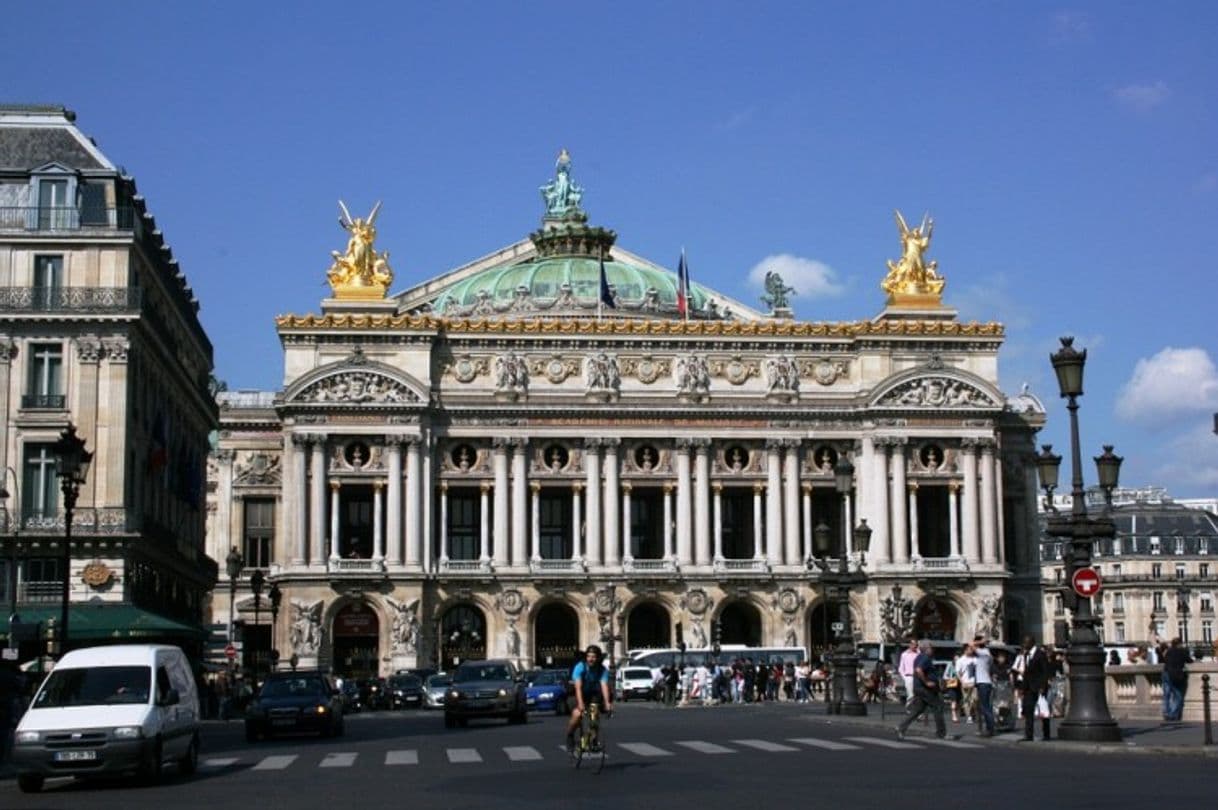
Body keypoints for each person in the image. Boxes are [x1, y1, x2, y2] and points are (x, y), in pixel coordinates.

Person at [895, 640, 952, 740]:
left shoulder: (918, 657)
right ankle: (941, 733)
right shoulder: (925, 658)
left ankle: (901, 727)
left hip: (918, 687)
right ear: (926, 649)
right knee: (938, 707)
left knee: (918, 710)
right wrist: (926, 682)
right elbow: (918, 670)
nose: (933, 649)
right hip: (925, 688)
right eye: (931, 647)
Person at [566, 645, 614, 751]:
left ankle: (592, 740)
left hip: (592, 694)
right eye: (588, 656)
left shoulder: (602, 670)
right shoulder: (580, 667)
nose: (591, 659)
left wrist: (607, 703)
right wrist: (580, 704)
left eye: (593, 657)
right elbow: (578, 687)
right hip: (576, 694)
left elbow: (604, 686)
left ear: (598, 658)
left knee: (594, 716)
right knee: (578, 714)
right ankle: (570, 735)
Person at [1019, 635, 1052, 741]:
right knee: (1029, 710)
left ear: (1032, 643)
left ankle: (1046, 734)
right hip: (1029, 687)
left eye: (1026, 642)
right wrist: (1023, 688)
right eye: (1024, 642)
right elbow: (1026, 673)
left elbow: (1045, 671)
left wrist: (1043, 686)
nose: (1024, 644)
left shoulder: (1040, 654)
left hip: (1039, 687)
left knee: (1043, 711)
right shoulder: (1026, 655)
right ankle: (1029, 735)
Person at [1162, 637, 1192, 722]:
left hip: (1166, 673)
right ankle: (1172, 714)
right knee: (1178, 696)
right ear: (1179, 644)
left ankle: (1166, 713)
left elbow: (1165, 661)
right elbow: (1189, 660)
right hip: (1175, 674)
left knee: (1166, 695)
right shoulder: (1182, 651)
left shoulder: (1168, 651)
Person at [972, 635, 995, 737]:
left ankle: (990, 729)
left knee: (985, 707)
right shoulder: (988, 654)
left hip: (983, 683)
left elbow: (971, 645)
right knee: (985, 706)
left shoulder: (983, 653)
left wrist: (981, 641)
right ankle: (988, 728)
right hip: (985, 682)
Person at [897, 638, 919, 705]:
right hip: (909, 677)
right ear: (910, 645)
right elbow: (901, 668)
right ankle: (909, 709)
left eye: (916, 644)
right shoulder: (904, 654)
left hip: (918, 677)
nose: (914, 646)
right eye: (913, 644)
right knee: (911, 695)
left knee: (918, 695)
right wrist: (905, 678)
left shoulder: (919, 654)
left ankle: (918, 711)